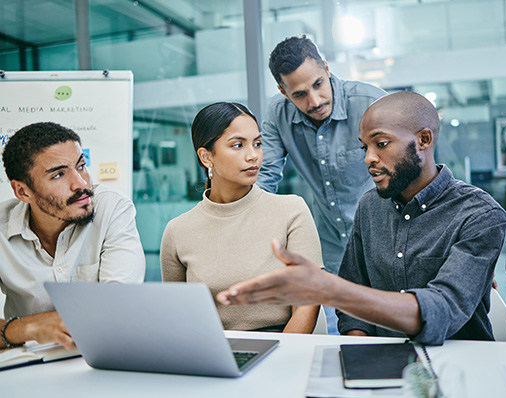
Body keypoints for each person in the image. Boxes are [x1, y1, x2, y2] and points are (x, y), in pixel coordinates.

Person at [217, 91, 506, 345]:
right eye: (364, 147)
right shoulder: (370, 206)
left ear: (423, 140)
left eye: (380, 144)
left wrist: (330, 290)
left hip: (458, 366)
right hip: (378, 365)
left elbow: (442, 310)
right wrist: (359, 351)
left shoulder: (480, 214)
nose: (368, 157)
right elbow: (353, 303)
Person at [259, 35, 386, 333]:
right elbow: (264, 179)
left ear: (327, 69)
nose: (314, 101)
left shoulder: (372, 103)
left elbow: (417, 173)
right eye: (299, 94)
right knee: (335, 338)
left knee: (390, 338)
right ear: (283, 91)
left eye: (318, 84)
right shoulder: (278, 115)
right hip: (329, 249)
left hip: (383, 245)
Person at [160, 102, 322, 333]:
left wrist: (281, 359)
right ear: (207, 157)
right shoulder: (178, 230)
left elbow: (308, 301)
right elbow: (176, 314)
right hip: (211, 351)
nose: (253, 155)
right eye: (238, 145)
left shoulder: (291, 211)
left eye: (257, 144)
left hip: (283, 347)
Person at [0, 122, 145, 350]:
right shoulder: (2, 228)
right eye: (58, 175)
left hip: (104, 354)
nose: (81, 183)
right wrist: (28, 328)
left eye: (81, 166)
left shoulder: (112, 208)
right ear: (23, 191)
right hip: (26, 366)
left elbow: (120, 305)